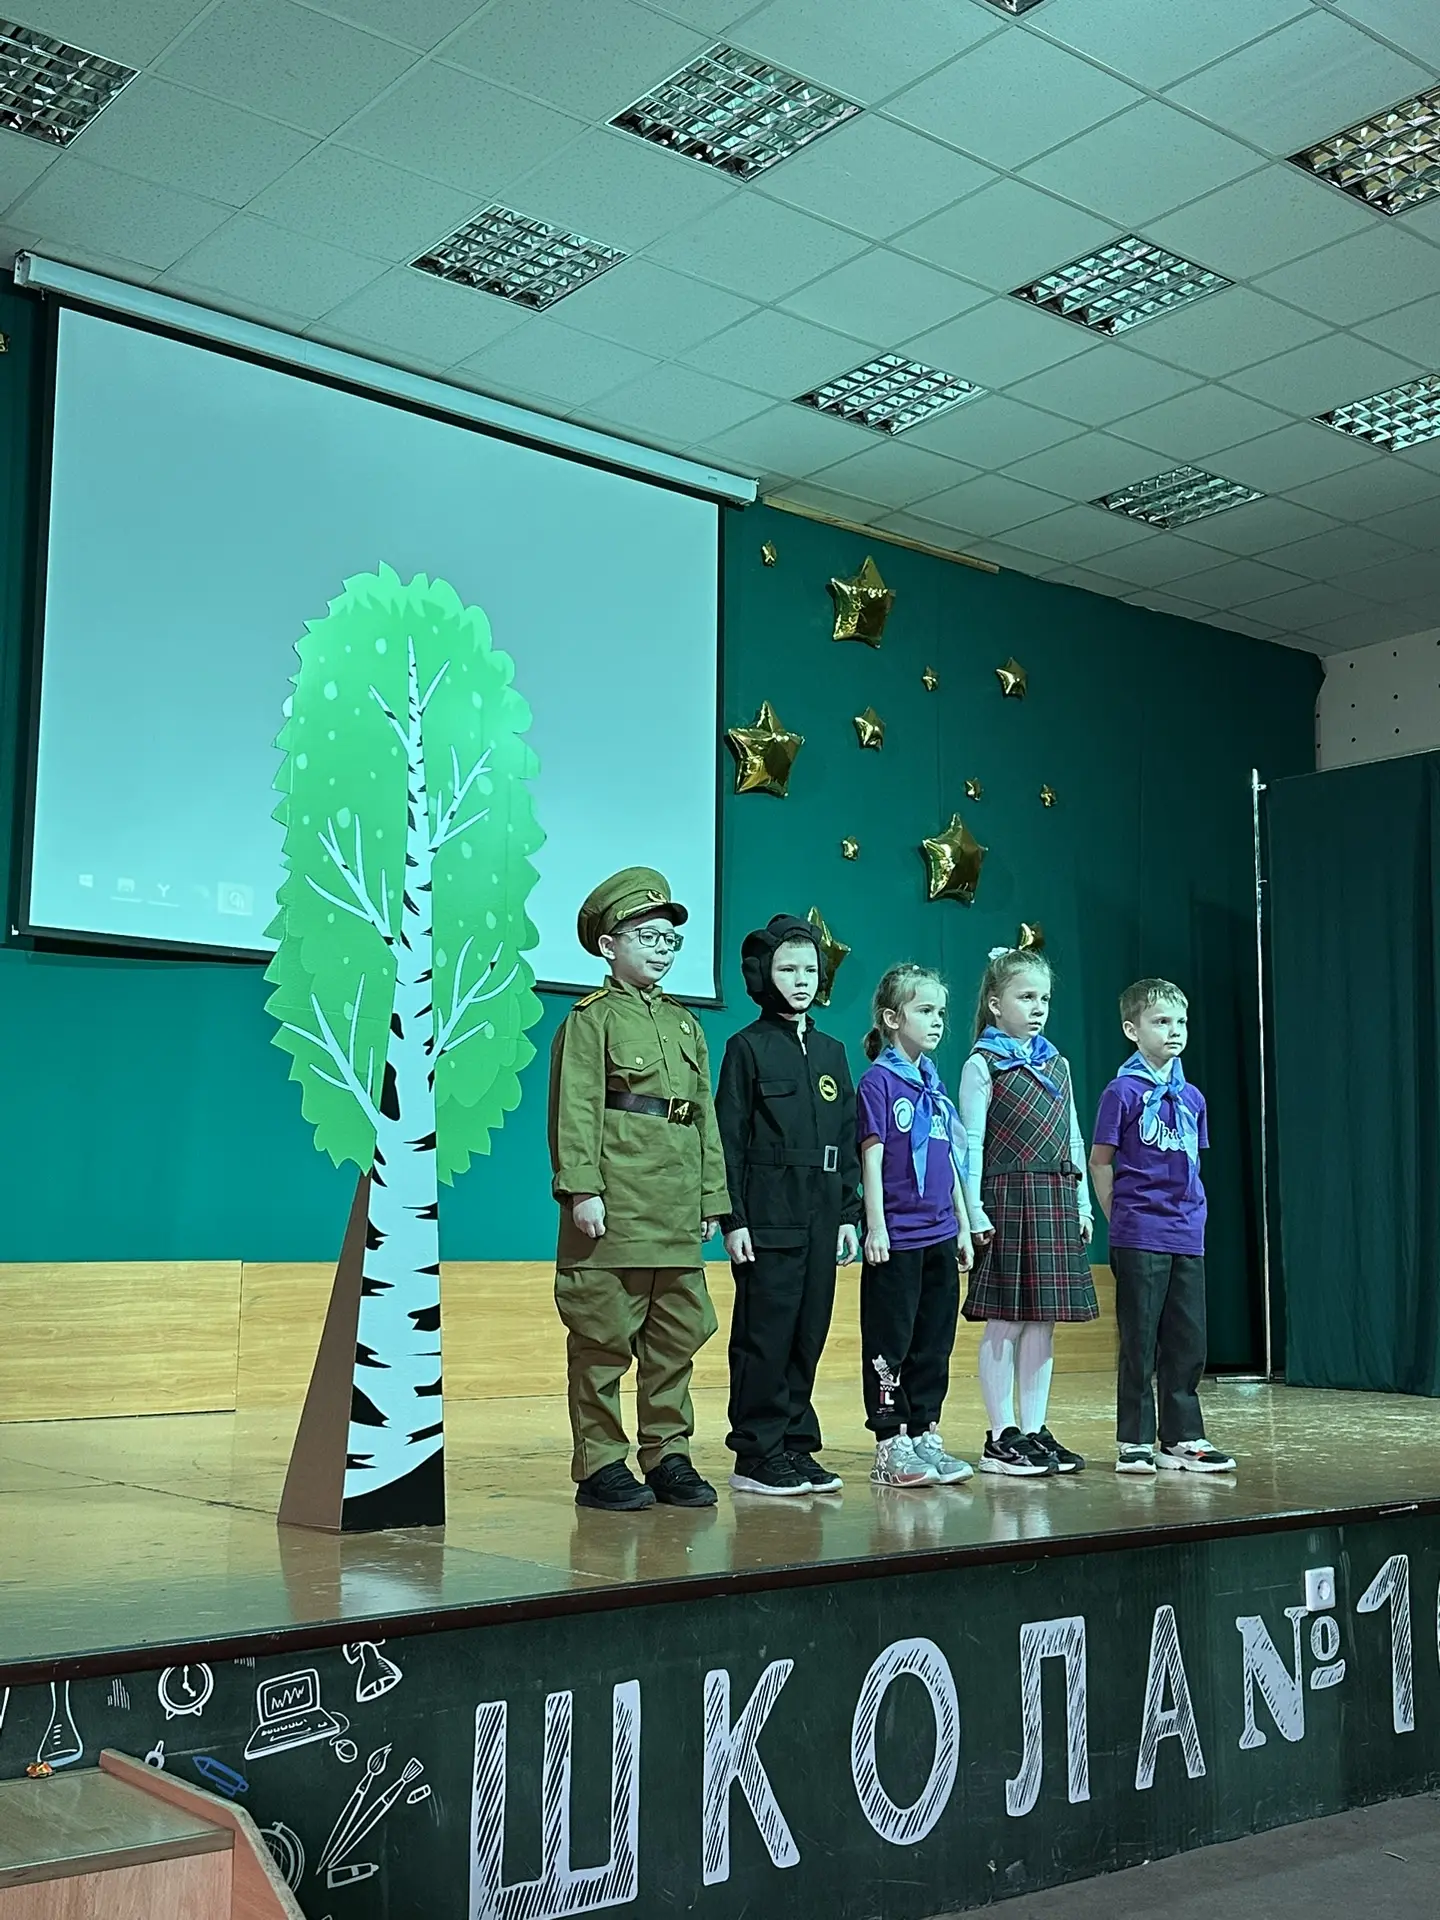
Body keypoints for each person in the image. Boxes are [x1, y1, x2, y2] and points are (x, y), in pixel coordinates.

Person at [547, 867, 729, 1513]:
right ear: (608, 945)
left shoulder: (685, 1025)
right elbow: (575, 1108)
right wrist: (582, 1190)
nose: (662, 949)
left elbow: (703, 1116)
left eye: (670, 940)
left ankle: (667, 1455)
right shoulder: (590, 1020)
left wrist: (712, 1198)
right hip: (616, 1205)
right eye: (647, 936)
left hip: (674, 1207)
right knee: (602, 1339)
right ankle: (600, 1463)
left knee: (675, 1339)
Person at [716, 915, 861, 1497]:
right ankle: (756, 1454)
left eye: (809, 969)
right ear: (763, 975)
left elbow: (847, 1136)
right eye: (787, 969)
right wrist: (733, 1219)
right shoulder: (746, 1048)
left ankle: (795, 1445)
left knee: (808, 1332)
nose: (801, 980)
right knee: (765, 1335)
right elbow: (728, 1140)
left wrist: (848, 1213)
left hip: (822, 1215)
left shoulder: (832, 1051)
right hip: (768, 1217)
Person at [960, 947, 1097, 1477]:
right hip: (1009, 1198)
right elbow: (971, 1144)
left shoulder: (1057, 1064)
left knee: (1043, 1320)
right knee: (1006, 1319)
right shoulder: (983, 1063)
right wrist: (974, 1210)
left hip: (1054, 1195)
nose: (1038, 1007)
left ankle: (1035, 1429)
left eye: (1044, 998)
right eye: (1025, 997)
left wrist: (1081, 1201)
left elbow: (1074, 1135)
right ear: (996, 1004)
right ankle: (1001, 1435)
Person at [1090, 979, 1236, 1475]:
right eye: (1161, 1022)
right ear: (1132, 1030)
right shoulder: (1122, 1092)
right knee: (1139, 1340)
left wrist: (1193, 1214)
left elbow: (1192, 1162)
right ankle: (1134, 1439)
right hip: (1140, 1231)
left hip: (1185, 1232)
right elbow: (1100, 1161)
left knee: (1187, 1339)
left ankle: (1182, 1436)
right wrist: (1117, 1214)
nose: (1175, 1031)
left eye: (1181, 1022)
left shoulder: (1191, 1097)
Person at [856, 963, 976, 1489]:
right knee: (891, 1343)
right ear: (892, 1018)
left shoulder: (933, 1084)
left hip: (939, 1234)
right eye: (925, 1011)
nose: (937, 1021)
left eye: (941, 1012)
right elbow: (872, 1159)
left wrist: (963, 1226)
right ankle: (890, 1442)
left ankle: (926, 1431)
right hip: (898, 1238)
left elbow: (948, 1159)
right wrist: (876, 1227)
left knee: (934, 1343)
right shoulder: (878, 1083)